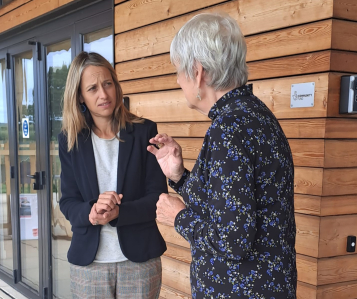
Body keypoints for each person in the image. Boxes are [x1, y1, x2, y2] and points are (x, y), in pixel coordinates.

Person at [147, 13, 297, 298]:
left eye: (179, 70)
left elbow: (233, 241)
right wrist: (179, 176)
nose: (178, 80)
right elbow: (230, 211)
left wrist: (178, 216)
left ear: (198, 71)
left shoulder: (228, 130)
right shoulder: (258, 115)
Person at [58, 51, 167, 299]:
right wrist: (91, 212)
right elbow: (67, 201)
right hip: (89, 264)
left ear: (116, 86)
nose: (103, 94)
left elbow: (157, 197)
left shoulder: (143, 131)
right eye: (93, 88)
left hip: (139, 262)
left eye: (107, 84)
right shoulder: (69, 140)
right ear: (80, 96)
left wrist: (121, 212)